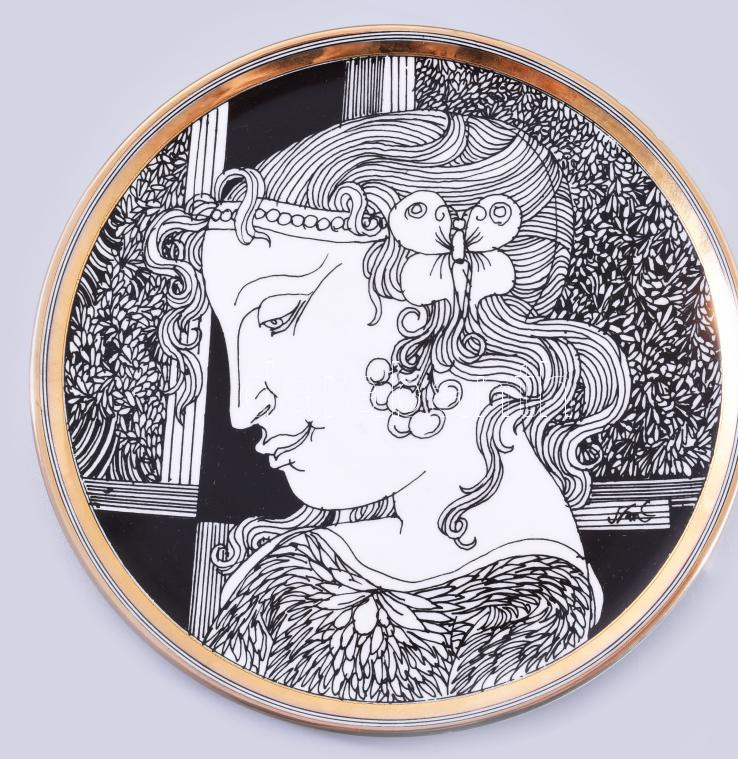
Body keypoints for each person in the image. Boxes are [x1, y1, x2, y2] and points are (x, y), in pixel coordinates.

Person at [146, 110, 631, 701]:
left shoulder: (533, 613)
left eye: (277, 318)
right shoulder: (298, 564)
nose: (243, 407)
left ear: (439, 306)